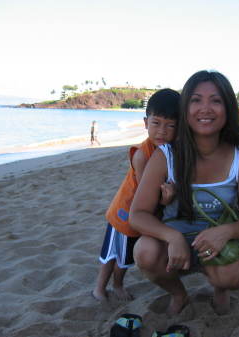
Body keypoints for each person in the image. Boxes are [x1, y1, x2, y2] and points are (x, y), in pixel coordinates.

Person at [130, 70, 239, 315]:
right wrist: (172, 237)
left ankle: (220, 289)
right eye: (196, 100)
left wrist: (226, 232)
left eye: (215, 100)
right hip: (173, 246)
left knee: (234, 274)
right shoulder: (165, 156)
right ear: (185, 108)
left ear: (228, 108)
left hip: (218, 245)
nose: (205, 108)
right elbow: (137, 214)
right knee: (144, 252)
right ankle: (179, 294)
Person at [92, 89, 180, 301]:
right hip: (125, 211)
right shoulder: (142, 155)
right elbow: (145, 193)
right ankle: (100, 288)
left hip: (142, 214)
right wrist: (165, 199)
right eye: (156, 123)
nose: (162, 131)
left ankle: (117, 284)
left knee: (126, 255)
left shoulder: (171, 149)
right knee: (112, 255)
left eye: (170, 125)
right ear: (145, 122)